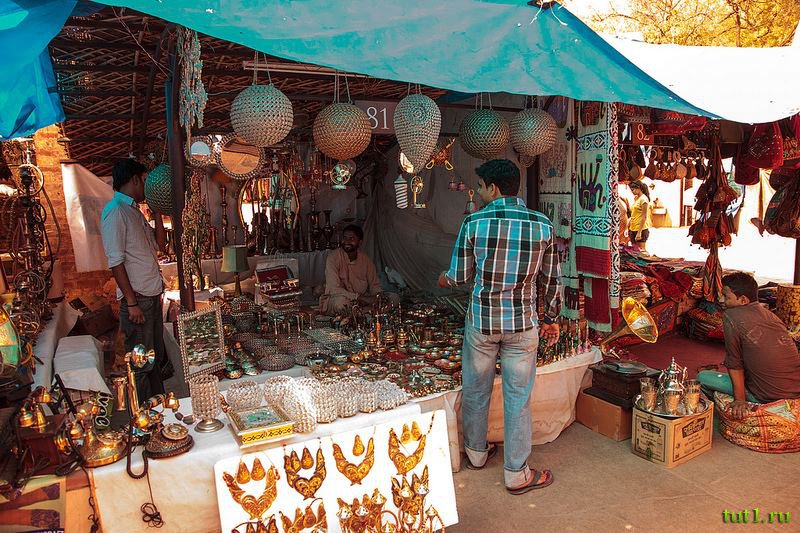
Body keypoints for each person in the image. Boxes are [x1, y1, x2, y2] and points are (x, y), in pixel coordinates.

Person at [438, 159, 561, 495]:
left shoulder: (474, 222)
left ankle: (477, 454)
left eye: (480, 187)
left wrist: (443, 278)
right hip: (523, 325)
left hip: (482, 323)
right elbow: (552, 280)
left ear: (492, 188)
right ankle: (516, 473)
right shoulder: (542, 225)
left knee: (476, 389)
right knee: (518, 397)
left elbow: (458, 276)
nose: (478, 193)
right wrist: (551, 318)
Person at [101, 159, 169, 403]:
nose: (148, 187)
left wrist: (157, 211)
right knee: (141, 364)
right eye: (146, 180)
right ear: (135, 180)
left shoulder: (134, 211)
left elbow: (161, 246)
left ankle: (159, 407)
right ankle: (142, 416)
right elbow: (115, 261)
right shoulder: (116, 211)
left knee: (154, 357)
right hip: (138, 300)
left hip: (150, 296)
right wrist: (131, 303)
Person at [697, 272, 800, 418]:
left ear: (743, 300)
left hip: (766, 396)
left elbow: (734, 362)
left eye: (726, 296)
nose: (720, 300)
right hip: (794, 392)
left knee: (702, 377)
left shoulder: (731, 316)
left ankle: (716, 418)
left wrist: (740, 400)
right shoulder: (771, 316)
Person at [320, 224, 391, 315]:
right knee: (341, 303)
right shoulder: (333, 257)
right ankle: (363, 312)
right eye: (345, 238)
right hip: (338, 299)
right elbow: (333, 289)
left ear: (360, 242)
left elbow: (374, 285)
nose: (347, 242)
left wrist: (379, 296)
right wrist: (358, 297)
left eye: (351, 238)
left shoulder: (366, 260)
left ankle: (361, 311)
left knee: (393, 298)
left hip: (362, 301)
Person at [628, 180, 652, 252]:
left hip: (641, 229)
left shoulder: (644, 199)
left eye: (633, 190)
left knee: (641, 251)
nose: (632, 192)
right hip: (633, 228)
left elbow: (644, 216)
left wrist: (639, 232)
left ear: (639, 188)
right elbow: (634, 213)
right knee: (634, 252)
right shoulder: (636, 199)